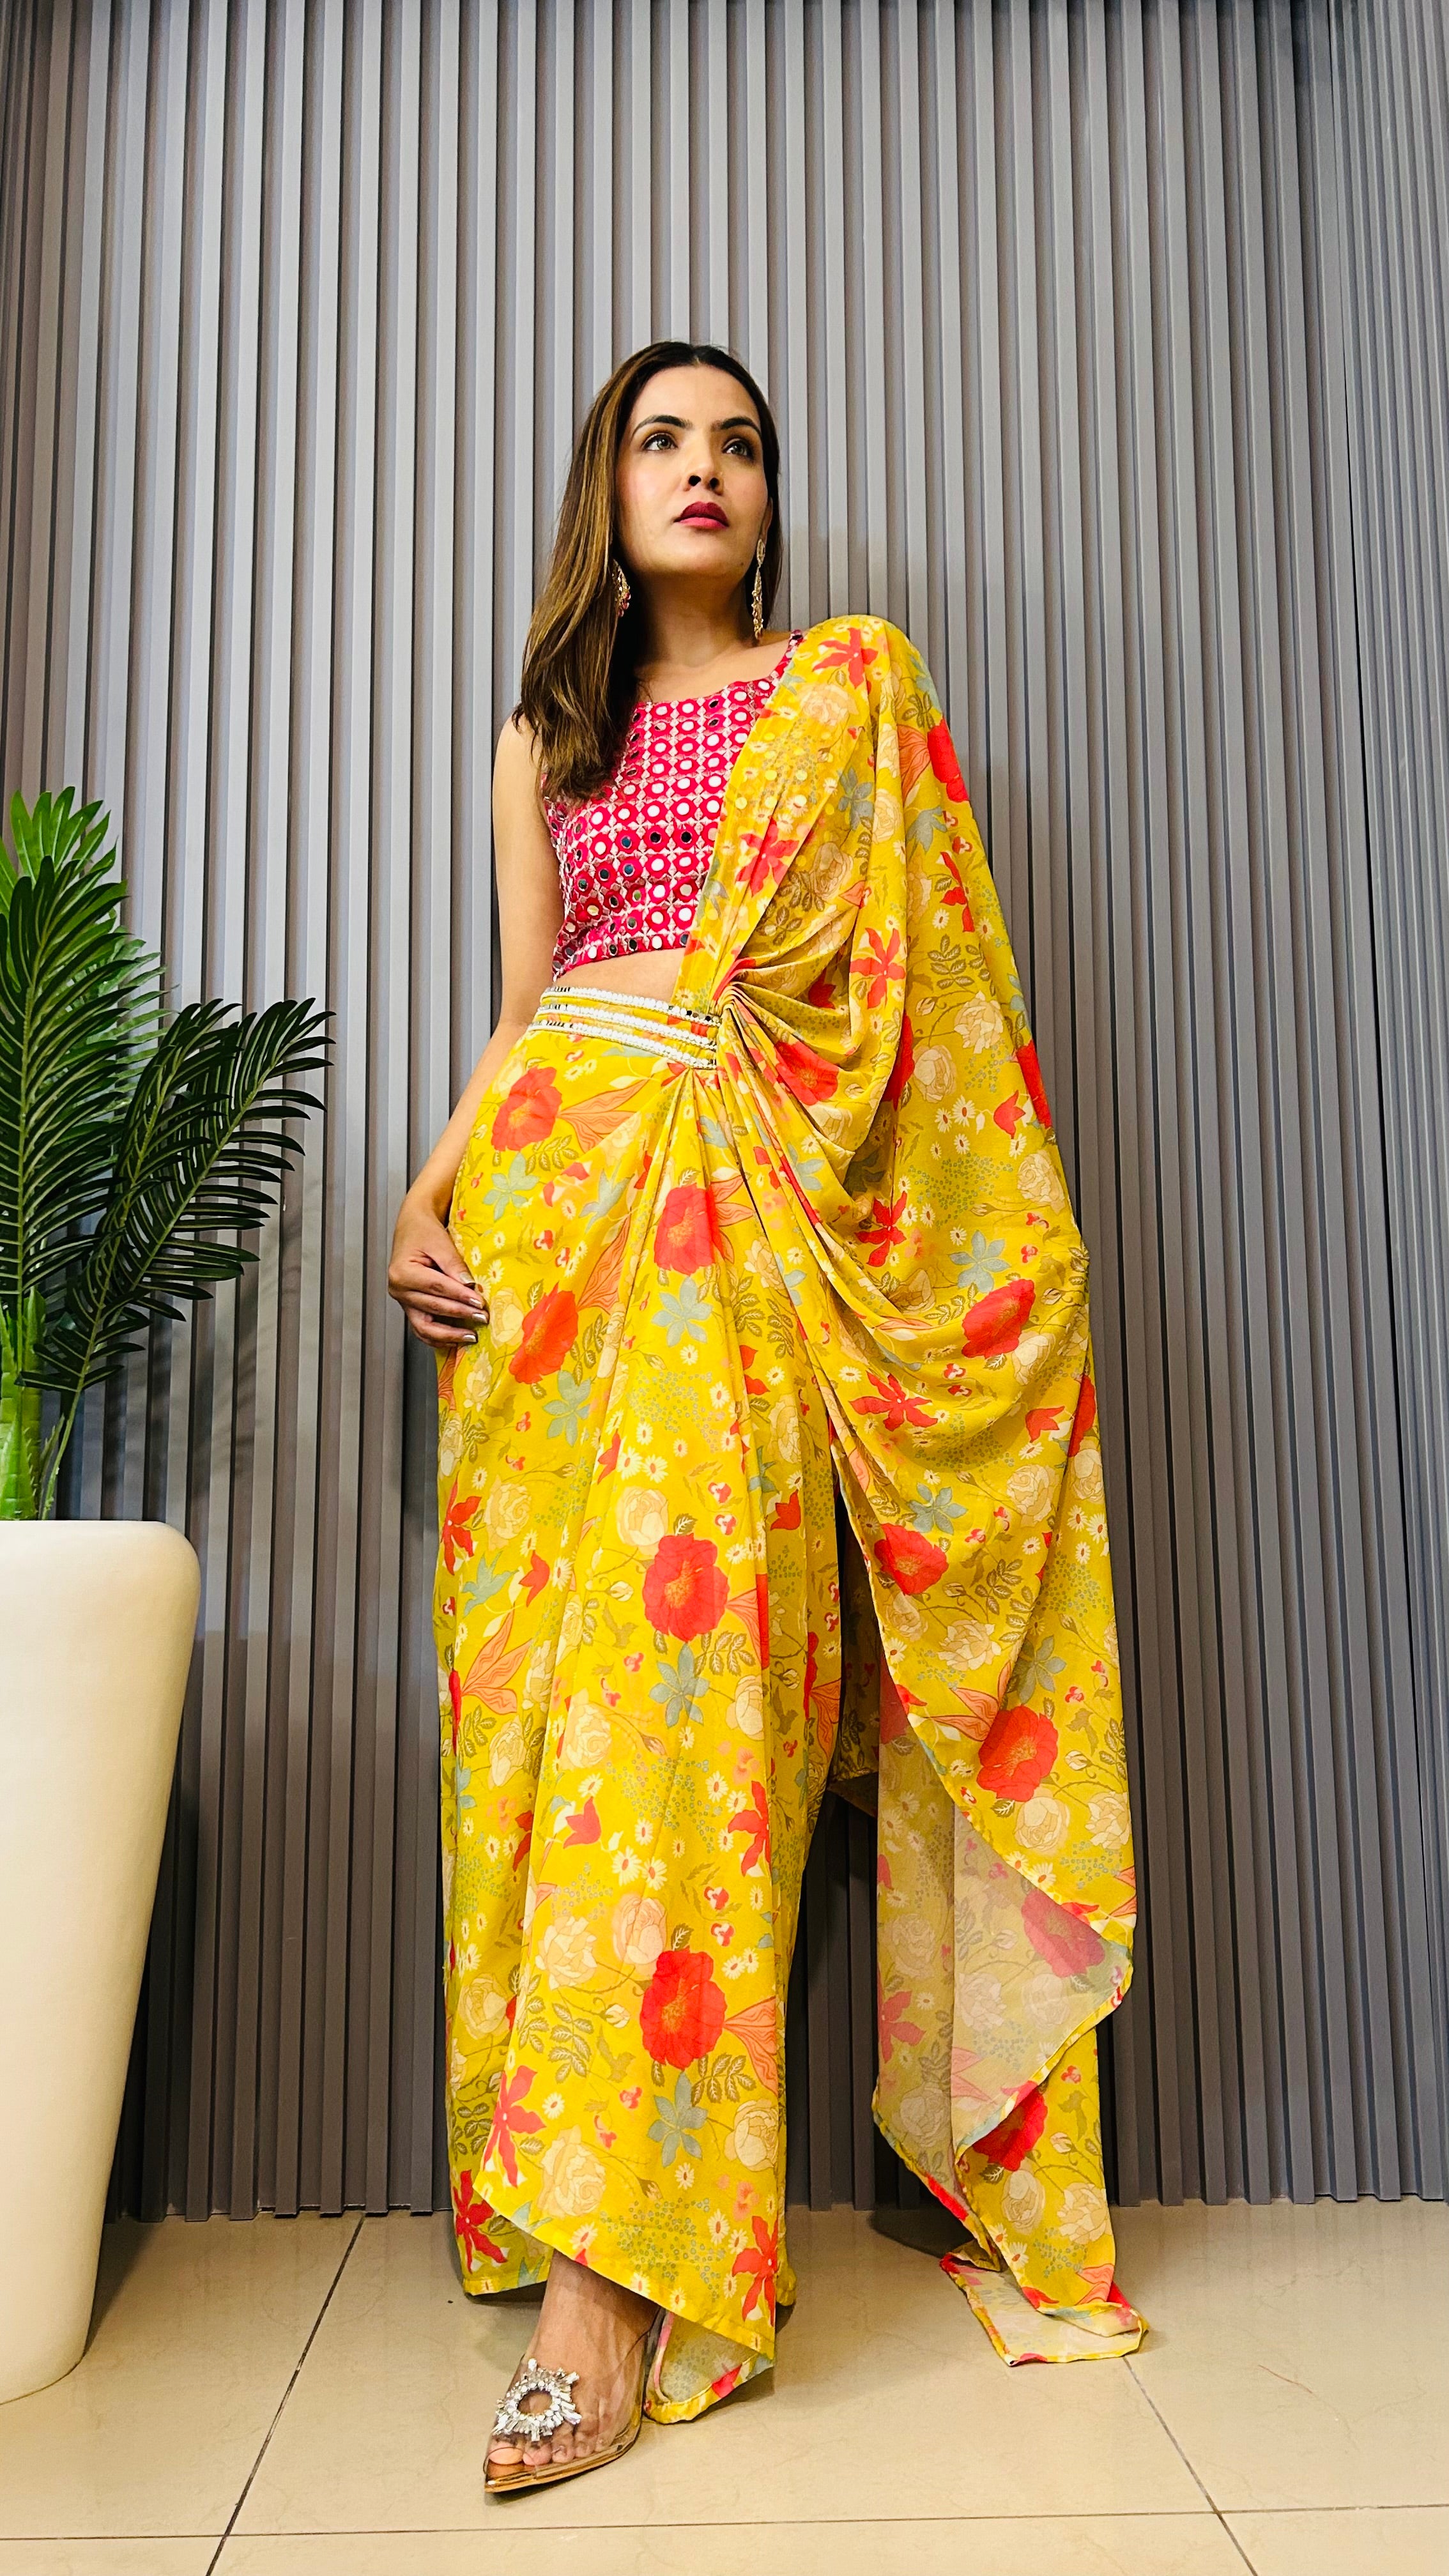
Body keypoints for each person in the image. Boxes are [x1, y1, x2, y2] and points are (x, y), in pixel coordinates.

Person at [388, 340, 1141, 2497]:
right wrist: (424, 1196)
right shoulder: (545, 736)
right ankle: (573, 2210)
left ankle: (612, 2294)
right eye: (662, 441)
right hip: (546, 1234)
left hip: (750, 1228)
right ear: (607, 490)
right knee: (543, 1729)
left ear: (766, 495)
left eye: (735, 444)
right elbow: (524, 1009)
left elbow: (924, 1008)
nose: (701, 469)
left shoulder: (840, 693)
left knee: (684, 1712)